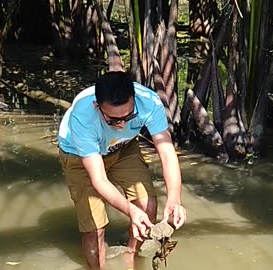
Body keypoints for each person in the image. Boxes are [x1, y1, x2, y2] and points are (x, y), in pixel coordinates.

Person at [58, 71, 186, 269]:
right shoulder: (82, 117)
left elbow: (167, 152)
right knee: (95, 228)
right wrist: (129, 210)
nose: (122, 124)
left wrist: (174, 199)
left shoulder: (149, 102)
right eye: (113, 120)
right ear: (97, 107)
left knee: (148, 207)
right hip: (78, 154)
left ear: (134, 100)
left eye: (129, 116)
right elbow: (99, 179)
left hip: (124, 146)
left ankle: (130, 256)